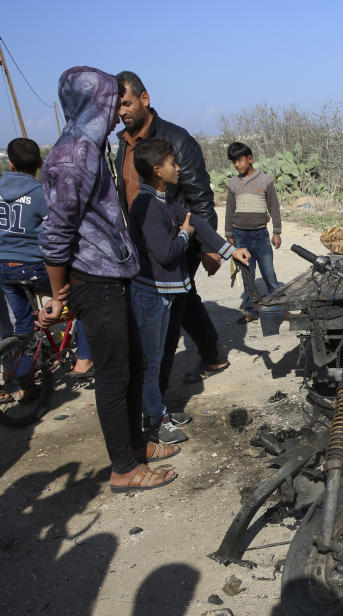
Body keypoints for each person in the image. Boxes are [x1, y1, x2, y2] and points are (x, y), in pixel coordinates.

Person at [39, 66, 178, 493]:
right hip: (92, 283)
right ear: (91, 103)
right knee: (115, 377)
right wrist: (58, 291)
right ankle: (123, 468)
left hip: (111, 277)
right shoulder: (74, 155)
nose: (117, 110)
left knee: (133, 365)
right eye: (109, 100)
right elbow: (55, 232)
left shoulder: (91, 147)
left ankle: (137, 446)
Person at [129, 138, 251, 445]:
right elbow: (166, 253)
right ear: (157, 170)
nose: (178, 168)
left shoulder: (166, 201)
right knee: (152, 360)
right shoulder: (145, 205)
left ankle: (158, 410)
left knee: (163, 355)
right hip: (152, 295)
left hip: (172, 293)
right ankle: (154, 421)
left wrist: (229, 250)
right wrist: (185, 236)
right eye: (172, 163)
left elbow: (196, 221)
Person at [114, 71, 228, 390]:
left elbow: (199, 195)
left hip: (178, 237)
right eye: (116, 106)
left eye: (126, 103)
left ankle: (157, 385)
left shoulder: (176, 140)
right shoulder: (122, 146)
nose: (121, 112)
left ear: (144, 99)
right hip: (142, 241)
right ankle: (209, 354)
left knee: (174, 299)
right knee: (181, 297)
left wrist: (209, 246)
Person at [0, 138, 94, 381]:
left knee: (23, 324)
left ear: (10, 164)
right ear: (41, 164)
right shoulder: (41, 193)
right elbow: (57, 231)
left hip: (3, 268)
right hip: (32, 267)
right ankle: (85, 358)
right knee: (84, 298)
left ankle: (23, 382)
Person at [224, 142, 282, 324]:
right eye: (234, 162)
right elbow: (229, 210)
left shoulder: (265, 180)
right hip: (240, 235)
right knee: (248, 275)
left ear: (250, 159)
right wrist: (229, 233)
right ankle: (252, 310)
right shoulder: (233, 183)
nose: (237, 165)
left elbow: (274, 207)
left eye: (239, 160)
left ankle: (279, 308)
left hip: (261, 235)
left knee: (269, 274)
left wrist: (277, 232)